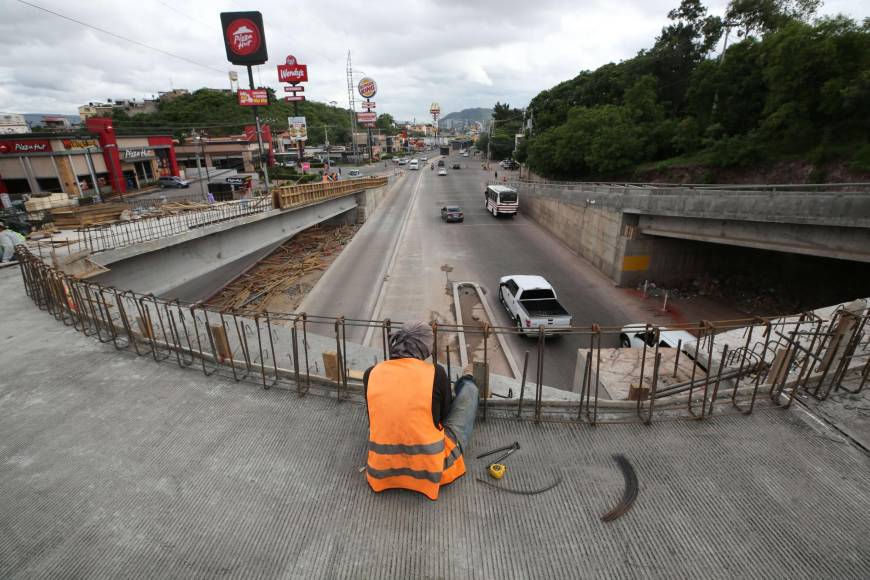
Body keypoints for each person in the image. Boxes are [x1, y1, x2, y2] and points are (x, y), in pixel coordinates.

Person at [363, 321, 479, 500]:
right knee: (469, 392)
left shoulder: (371, 373)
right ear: (424, 348)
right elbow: (443, 417)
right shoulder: (436, 373)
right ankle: (467, 379)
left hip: (382, 467)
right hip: (430, 468)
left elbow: (373, 419)